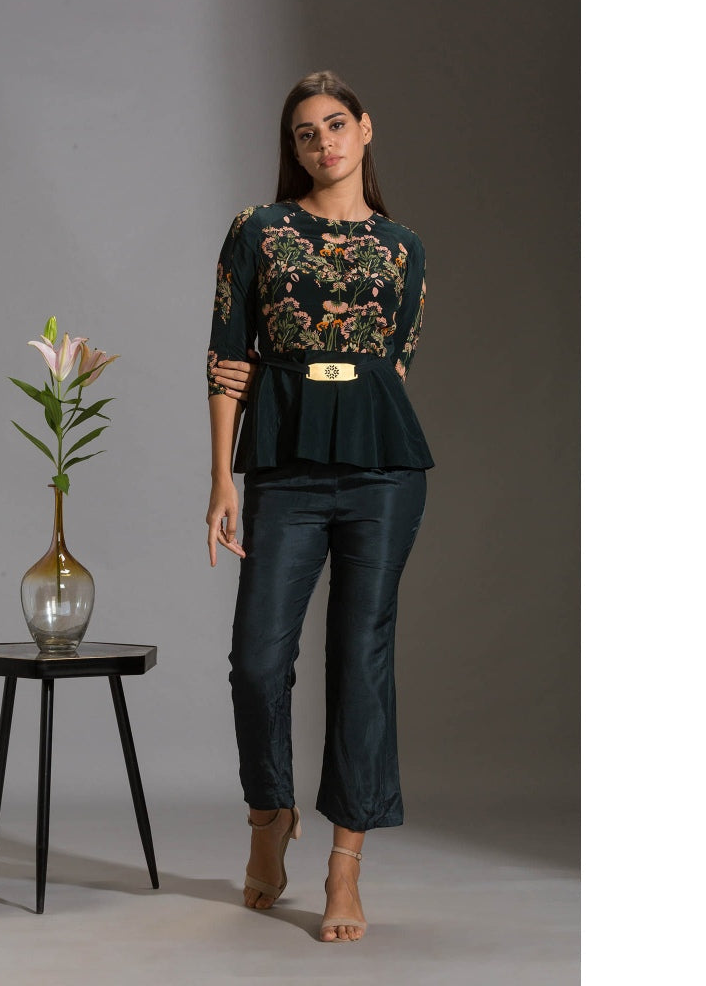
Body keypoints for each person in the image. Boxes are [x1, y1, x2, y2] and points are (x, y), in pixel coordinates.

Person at [205, 70, 434, 943]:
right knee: (258, 661)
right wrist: (223, 479)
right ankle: (270, 814)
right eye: (306, 133)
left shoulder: (404, 248)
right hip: (284, 471)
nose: (324, 142)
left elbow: (393, 366)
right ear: (293, 148)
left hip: (384, 472)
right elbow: (228, 358)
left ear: (365, 130)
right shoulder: (257, 231)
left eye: (336, 125)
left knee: (359, 661)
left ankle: (345, 867)